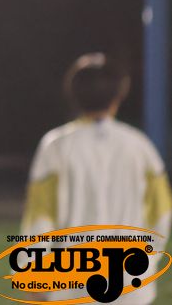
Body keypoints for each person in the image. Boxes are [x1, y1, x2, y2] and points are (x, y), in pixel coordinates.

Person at [21, 53, 172, 304]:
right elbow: (162, 214)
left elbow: (40, 218)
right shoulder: (140, 146)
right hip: (131, 285)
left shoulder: (56, 146)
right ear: (119, 94)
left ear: (72, 93)